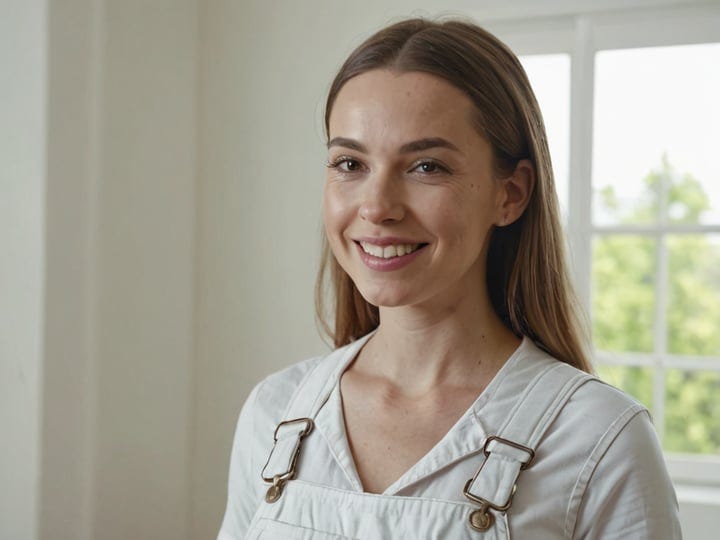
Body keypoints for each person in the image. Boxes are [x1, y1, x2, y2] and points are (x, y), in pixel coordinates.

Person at [218, 18, 682, 539]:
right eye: (350, 163)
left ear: (511, 194)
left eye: (426, 167)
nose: (376, 207)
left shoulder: (599, 441)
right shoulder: (274, 413)